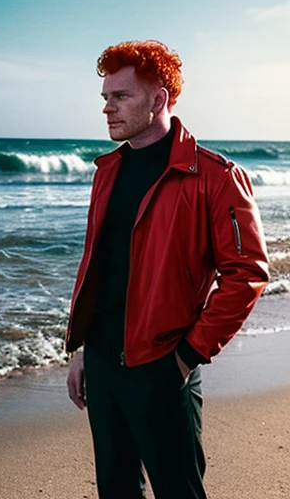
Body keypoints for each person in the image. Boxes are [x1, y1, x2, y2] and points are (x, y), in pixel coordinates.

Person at [66, 40, 269, 499]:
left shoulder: (215, 176)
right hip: (102, 359)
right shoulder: (107, 171)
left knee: (179, 491)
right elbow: (102, 268)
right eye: (105, 97)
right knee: (117, 490)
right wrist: (82, 349)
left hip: (162, 363)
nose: (107, 108)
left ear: (159, 99)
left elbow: (247, 273)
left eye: (121, 97)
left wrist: (187, 356)